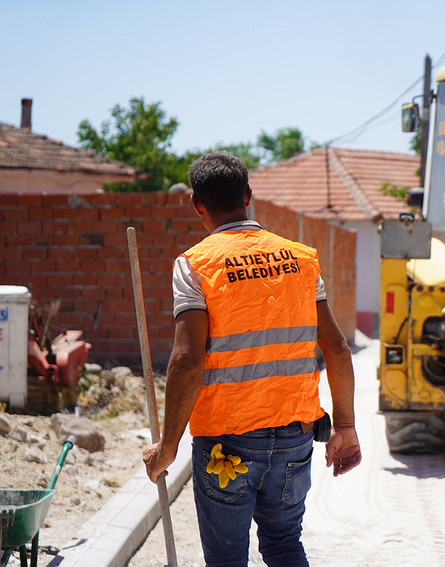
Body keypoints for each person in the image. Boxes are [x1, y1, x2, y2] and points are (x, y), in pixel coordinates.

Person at [143, 151, 362, 566]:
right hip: (295, 437)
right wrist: (346, 427)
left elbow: (187, 361)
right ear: (248, 195)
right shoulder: (301, 260)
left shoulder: (195, 265)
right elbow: (337, 349)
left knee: (227, 560)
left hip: (228, 441)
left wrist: (167, 447)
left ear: (196, 203)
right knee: (284, 546)